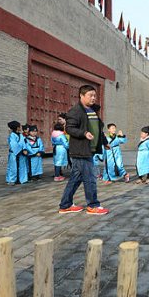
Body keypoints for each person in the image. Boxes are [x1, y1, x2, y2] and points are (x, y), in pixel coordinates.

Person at [58, 85, 110, 215]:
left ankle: (65, 205)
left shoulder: (92, 110)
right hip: (81, 150)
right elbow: (69, 128)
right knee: (90, 178)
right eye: (90, 95)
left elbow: (98, 129)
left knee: (76, 178)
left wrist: (104, 142)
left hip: (89, 150)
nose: (93, 98)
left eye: (94, 95)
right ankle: (93, 205)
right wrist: (84, 133)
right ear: (81, 96)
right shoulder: (75, 111)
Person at [6, 121, 24, 185]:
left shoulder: (20, 135)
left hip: (19, 153)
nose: (21, 127)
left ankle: (18, 179)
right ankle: (11, 180)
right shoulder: (12, 135)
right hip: (14, 153)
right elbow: (14, 145)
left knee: (19, 167)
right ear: (17, 128)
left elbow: (23, 143)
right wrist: (20, 150)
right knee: (12, 167)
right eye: (20, 126)